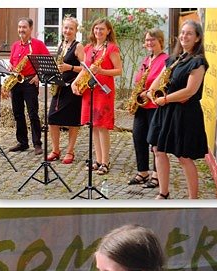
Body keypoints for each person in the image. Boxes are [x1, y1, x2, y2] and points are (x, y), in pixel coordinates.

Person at [147, 20, 209, 199]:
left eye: (189, 33)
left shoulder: (198, 62)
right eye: (182, 33)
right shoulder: (175, 58)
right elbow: (160, 78)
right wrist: (151, 90)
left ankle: (193, 198)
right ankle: (163, 193)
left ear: (197, 38)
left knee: (183, 157)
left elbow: (190, 91)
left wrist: (165, 99)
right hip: (167, 110)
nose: (184, 36)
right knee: (158, 149)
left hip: (184, 112)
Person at [72, 18, 122, 176]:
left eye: (102, 29)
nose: (98, 32)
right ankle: (98, 160)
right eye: (96, 29)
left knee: (102, 127)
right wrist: (75, 82)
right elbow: (85, 69)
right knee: (93, 125)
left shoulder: (112, 48)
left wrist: (101, 71)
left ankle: (105, 161)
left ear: (108, 31)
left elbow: (119, 71)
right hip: (89, 89)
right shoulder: (88, 48)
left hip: (103, 90)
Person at [126, 29, 168, 189]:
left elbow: (163, 83)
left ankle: (157, 175)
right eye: (147, 40)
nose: (149, 42)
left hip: (155, 106)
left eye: (153, 40)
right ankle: (143, 171)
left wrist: (146, 92)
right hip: (141, 105)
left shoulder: (165, 60)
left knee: (155, 141)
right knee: (138, 137)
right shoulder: (147, 59)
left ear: (160, 41)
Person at [3, 18, 48, 155]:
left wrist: (38, 76)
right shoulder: (15, 45)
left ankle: (37, 144)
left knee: (33, 113)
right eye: (19, 27)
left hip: (29, 82)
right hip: (16, 82)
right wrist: (10, 66)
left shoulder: (38, 45)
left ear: (30, 29)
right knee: (18, 114)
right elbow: (12, 63)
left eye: (24, 27)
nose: (21, 30)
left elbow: (47, 63)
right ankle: (22, 142)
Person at [45, 17, 83, 164]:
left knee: (72, 121)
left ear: (76, 30)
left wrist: (70, 67)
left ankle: (70, 151)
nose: (67, 31)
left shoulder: (78, 46)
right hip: (60, 87)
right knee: (52, 118)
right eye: (65, 28)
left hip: (73, 87)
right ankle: (55, 150)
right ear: (62, 29)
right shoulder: (61, 44)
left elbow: (85, 67)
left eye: (71, 28)